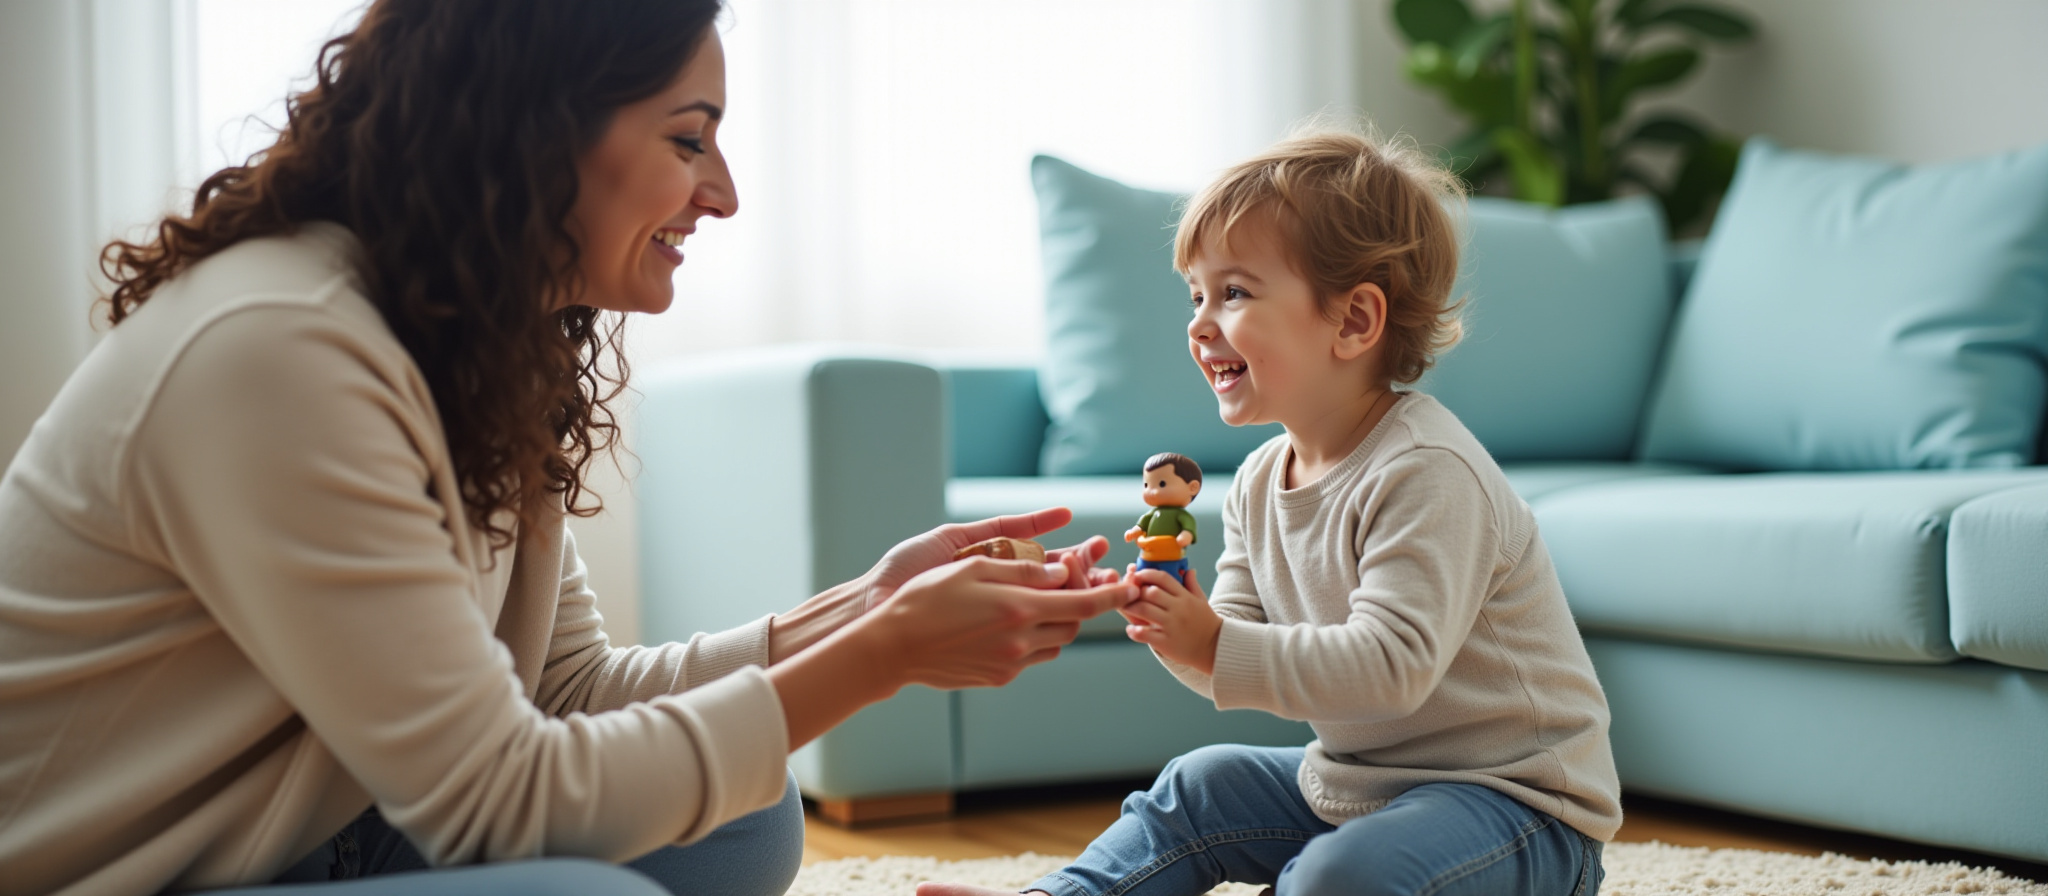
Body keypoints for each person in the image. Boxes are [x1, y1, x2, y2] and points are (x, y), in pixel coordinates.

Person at [0, 3, 1133, 895]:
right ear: (530, 127)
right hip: (119, 870)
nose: (724, 195)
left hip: (300, 830)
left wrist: (863, 603)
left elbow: (569, 690)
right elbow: (496, 800)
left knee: (744, 817)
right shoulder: (281, 348)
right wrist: (880, 653)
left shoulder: (472, 341)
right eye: (688, 138)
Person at [920, 129, 1621, 896]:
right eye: (1196, 294)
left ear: (1354, 321)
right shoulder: (1258, 481)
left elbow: (1391, 670)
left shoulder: (1427, 472)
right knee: (1198, 785)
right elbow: (1227, 653)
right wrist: (1162, 612)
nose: (1198, 321)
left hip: (1520, 811)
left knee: (1340, 877)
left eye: (1235, 292)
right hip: (1367, 784)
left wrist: (1213, 640)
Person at [1122, 452, 1202, 582]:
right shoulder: (1152, 514)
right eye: (1146, 485)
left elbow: (1188, 527)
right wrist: (1135, 531)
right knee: (1140, 578)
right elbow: (1142, 525)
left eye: (1162, 484)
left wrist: (1186, 534)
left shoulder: (1181, 515)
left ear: (1192, 487)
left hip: (1171, 558)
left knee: (1171, 582)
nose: (1151, 491)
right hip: (1147, 556)